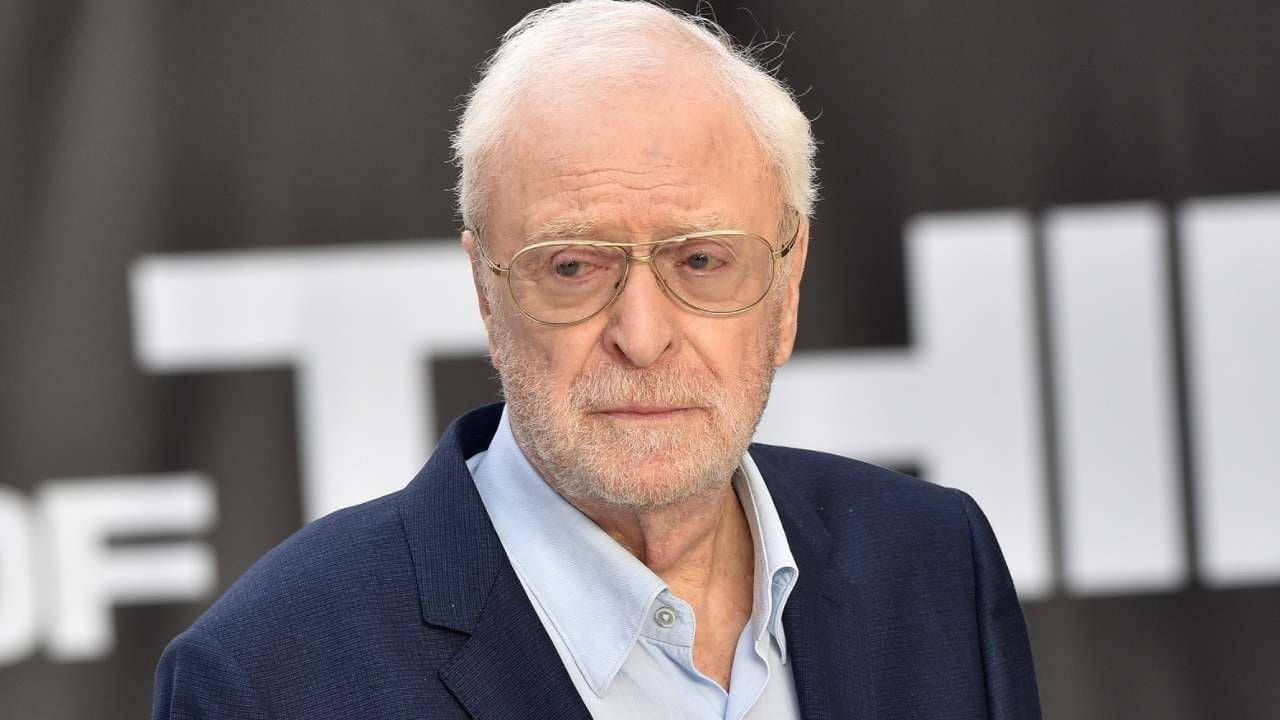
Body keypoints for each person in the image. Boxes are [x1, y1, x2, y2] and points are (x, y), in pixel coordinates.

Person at [153, 1, 1041, 718]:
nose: (642, 335)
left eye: (702, 260)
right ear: (487, 292)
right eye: (574, 267)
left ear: (788, 282)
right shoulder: (269, 678)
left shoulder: (933, 562)